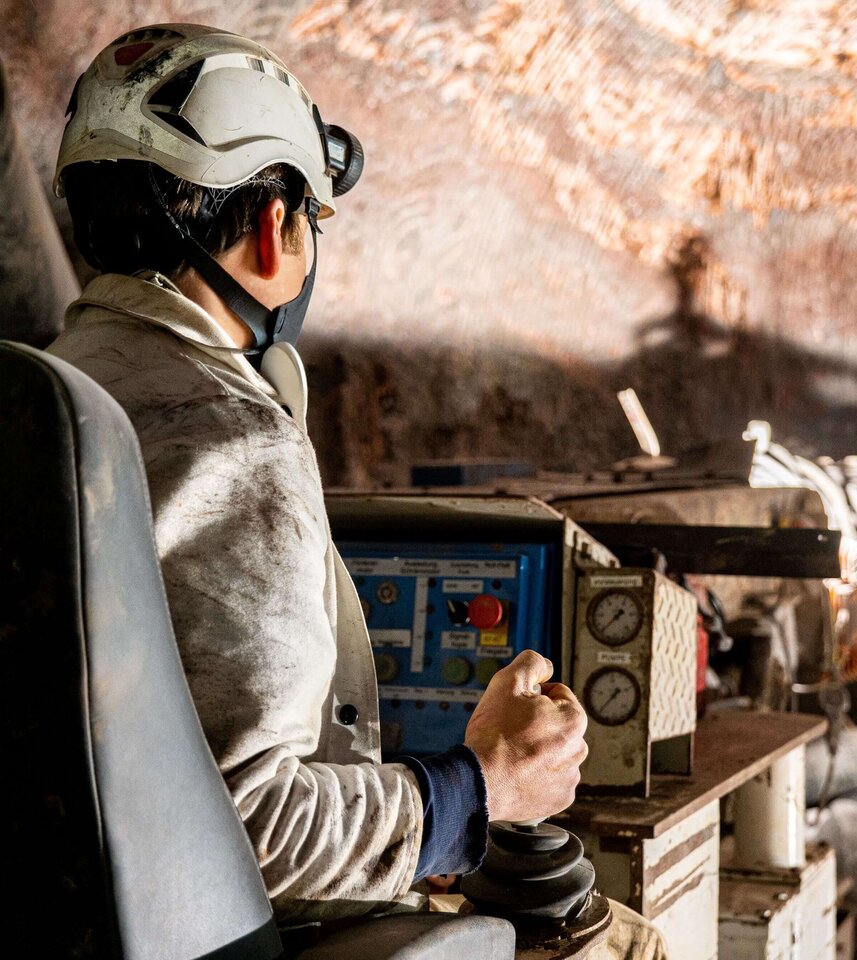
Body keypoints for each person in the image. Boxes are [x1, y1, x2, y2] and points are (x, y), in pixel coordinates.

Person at [47, 24, 665, 958]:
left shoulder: (49, 396)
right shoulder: (230, 436)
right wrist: (484, 786)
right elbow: (250, 828)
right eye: (311, 218)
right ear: (273, 227)